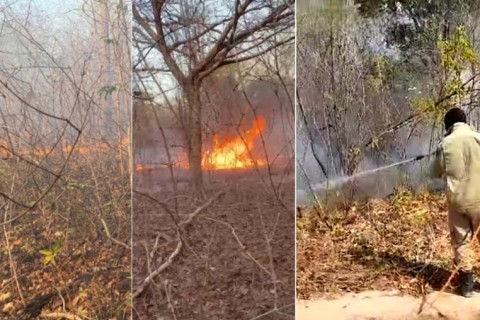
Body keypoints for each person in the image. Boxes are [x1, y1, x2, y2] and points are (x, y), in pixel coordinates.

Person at [432, 107, 480, 297]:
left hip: (459, 202)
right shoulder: (478, 137)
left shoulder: (445, 144)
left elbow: (435, 172)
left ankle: (467, 286)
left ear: (448, 125)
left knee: (462, 242)